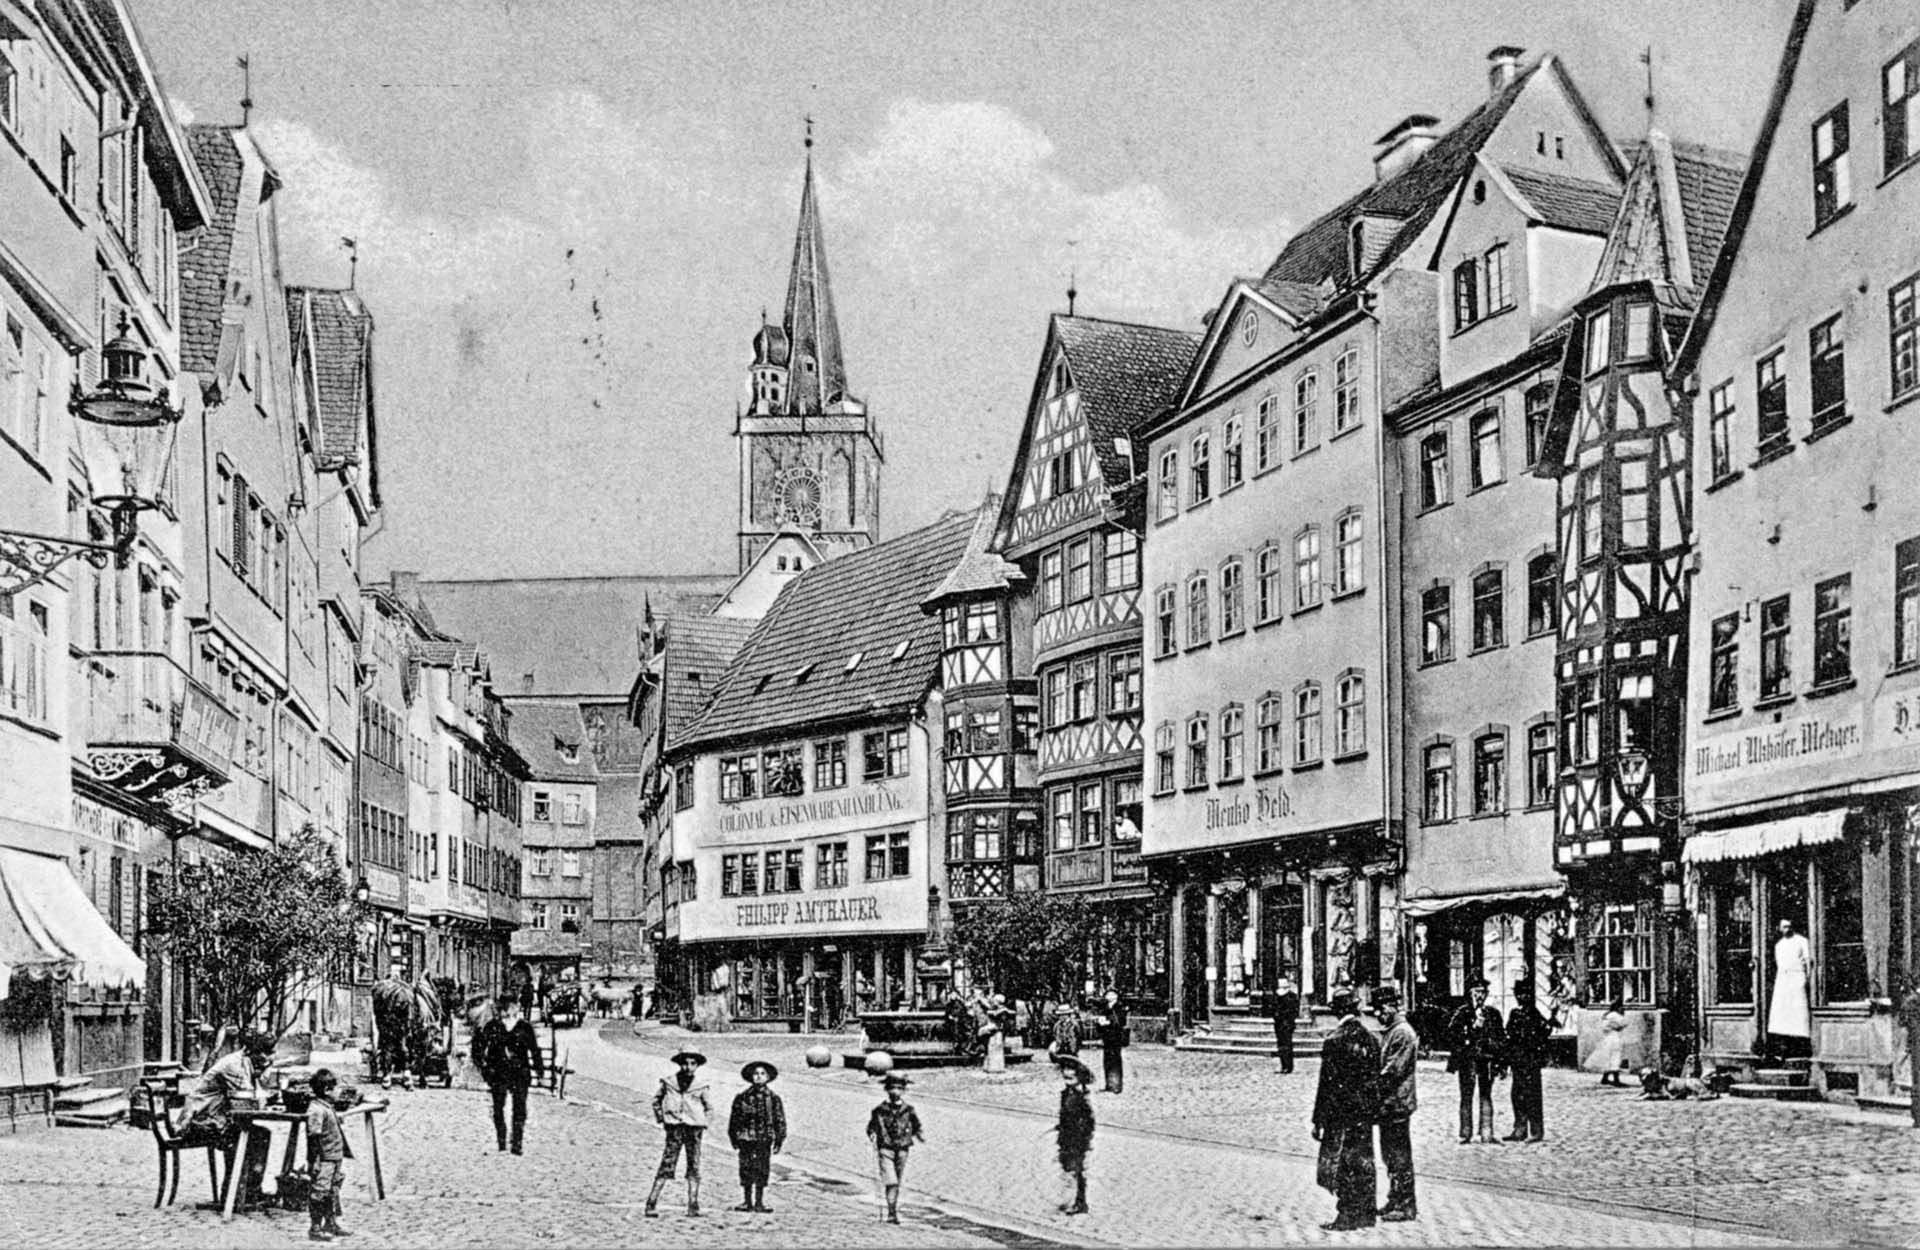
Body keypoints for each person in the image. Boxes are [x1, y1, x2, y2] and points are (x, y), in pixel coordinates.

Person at [172, 1030, 277, 1208]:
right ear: (250, 1051)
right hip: (200, 1123)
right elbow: (249, 1099)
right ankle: (233, 1194)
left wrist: (263, 1072)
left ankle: (248, 1191)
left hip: (215, 1119)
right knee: (244, 1137)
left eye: (270, 1052)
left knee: (259, 1134)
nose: (269, 1057)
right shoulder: (234, 1066)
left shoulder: (245, 1062)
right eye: (265, 1053)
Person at [1311, 986, 1381, 1232]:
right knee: (1364, 1161)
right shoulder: (1372, 1039)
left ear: (1336, 1010)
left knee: (1342, 1163)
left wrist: (1318, 1120)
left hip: (1340, 1114)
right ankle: (1366, 1213)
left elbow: (1326, 1085)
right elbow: (1376, 1081)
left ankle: (1346, 1216)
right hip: (1364, 1113)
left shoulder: (1334, 1041)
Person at [474, 996, 544, 1155]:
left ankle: (517, 1144)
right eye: (506, 1008)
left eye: (513, 1007)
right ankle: (502, 1142)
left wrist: (539, 1071)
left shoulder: (525, 1027)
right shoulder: (493, 1026)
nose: (510, 1010)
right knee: (498, 1108)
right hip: (498, 1073)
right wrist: (484, 1069)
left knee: (520, 1109)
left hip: (520, 1073)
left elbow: (534, 1050)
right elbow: (479, 1048)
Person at [647, 1050, 712, 1217]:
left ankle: (693, 1204)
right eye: (685, 1063)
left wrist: (703, 1123)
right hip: (675, 1128)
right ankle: (651, 1202)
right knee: (667, 1162)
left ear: (697, 1065)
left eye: (692, 1063)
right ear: (679, 1063)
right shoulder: (669, 1082)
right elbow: (656, 1100)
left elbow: (709, 1108)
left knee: (694, 1165)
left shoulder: (701, 1085)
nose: (688, 1067)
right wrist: (663, 1118)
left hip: (693, 1129)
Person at [1373, 986, 1418, 1222]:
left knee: (1399, 1156)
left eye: (1381, 1009)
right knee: (1390, 1155)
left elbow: (1392, 1070)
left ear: (1392, 1006)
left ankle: (1406, 1204)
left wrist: (1372, 1085)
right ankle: (1395, 1198)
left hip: (1397, 1104)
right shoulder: (1392, 1031)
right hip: (1390, 1104)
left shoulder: (1402, 1032)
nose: (1379, 1014)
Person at [1446, 976, 1506, 1144]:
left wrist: (1499, 1060)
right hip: (1468, 1060)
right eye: (1476, 992)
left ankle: (1487, 1132)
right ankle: (1465, 1133)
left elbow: (1501, 1038)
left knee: (1486, 1095)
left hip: (1486, 1060)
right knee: (1466, 1096)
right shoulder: (1462, 1013)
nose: (1480, 996)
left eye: (1482, 992)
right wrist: (1471, 1030)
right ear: (1470, 993)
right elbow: (1451, 1035)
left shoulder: (1493, 1014)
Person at [866, 1073, 925, 1225]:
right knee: (891, 1181)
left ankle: (892, 1212)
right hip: (885, 1148)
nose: (895, 1091)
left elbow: (916, 1126)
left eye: (899, 1088)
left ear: (904, 1091)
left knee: (896, 1181)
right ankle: (892, 1212)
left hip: (903, 1149)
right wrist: (873, 1134)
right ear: (887, 1089)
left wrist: (919, 1135)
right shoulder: (879, 1110)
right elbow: (871, 1128)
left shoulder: (908, 1110)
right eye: (892, 1088)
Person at [728, 1060, 786, 1213]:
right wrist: (733, 1137)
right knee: (746, 1168)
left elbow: (779, 1119)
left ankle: (759, 1202)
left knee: (762, 1169)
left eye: (762, 1074)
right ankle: (747, 1201)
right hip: (746, 1139)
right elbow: (734, 1119)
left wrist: (779, 1138)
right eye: (756, 1074)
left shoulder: (773, 1098)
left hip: (763, 1139)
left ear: (767, 1077)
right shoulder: (742, 1097)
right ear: (751, 1077)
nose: (759, 1077)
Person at [1503, 979, 1556, 1142]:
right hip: (1518, 1061)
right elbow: (1509, 1036)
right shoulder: (1514, 1013)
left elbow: (1544, 1031)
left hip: (1531, 1061)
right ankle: (1520, 1128)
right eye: (1519, 994)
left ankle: (1536, 1131)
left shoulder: (1534, 1013)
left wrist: (1551, 1021)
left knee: (1533, 1095)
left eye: (1525, 994)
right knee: (1517, 1095)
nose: (1522, 997)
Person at [303, 1069, 352, 1243]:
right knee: (320, 1192)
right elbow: (313, 1137)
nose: (339, 1091)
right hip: (324, 1159)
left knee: (332, 1191)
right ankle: (315, 1227)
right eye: (336, 1088)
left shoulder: (326, 1106)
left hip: (334, 1157)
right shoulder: (316, 1110)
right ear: (326, 1090)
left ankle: (330, 1223)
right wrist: (314, 1161)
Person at [1767, 918, 1813, 1063]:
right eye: (1784, 927)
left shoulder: (1802, 941)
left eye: (1789, 926)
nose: (1787, 930)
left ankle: (1802, 1048)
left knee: (1799, 1012)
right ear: (1780, 929)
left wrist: (1807, 978)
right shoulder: (1779, 945)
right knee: (1783, 1014)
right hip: (1783, 980)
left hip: (1797, 978)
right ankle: (1783, 1050)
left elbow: (1808, 961)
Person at [1054, 1058, 1095, 1215]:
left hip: (1077, 1140)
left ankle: (1079, 1202)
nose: (1066, 1078)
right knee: (1067, 1167)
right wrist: (1061, 1126)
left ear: (1079, 1078)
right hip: (1066, 1138)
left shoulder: (1080, 1098)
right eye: (1064, 1075)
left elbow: (1088, 1121)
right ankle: (1070, 1199)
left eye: (1071, 1077)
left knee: (1076, 1171)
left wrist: (1083, 1137)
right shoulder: (1066, 1094)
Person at [1585, 998, 1629, 1085]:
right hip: (1614, 1037)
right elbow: (1625, 1023)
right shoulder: (1615, 1015)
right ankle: (1616, 1080)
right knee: (1615, 1057)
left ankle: (1605, 1078)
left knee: (1608, 1058)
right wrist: (1622, 1018)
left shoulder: (1607, 1015)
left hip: (1607, 1037)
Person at [1093, 988, 1129, 1093]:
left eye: (1112, 994)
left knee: (1115, 1060)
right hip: (1106, 1037)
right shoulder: (1105, 1007)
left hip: (1116, 1037)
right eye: (1108, 994)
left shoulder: (1119, 1007)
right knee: (1107, 1060)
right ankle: (1109, 1084)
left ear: (1116, 996)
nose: (1109, 996)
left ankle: (1117, 1085)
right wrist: (1099, 1023)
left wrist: (1109, 1023)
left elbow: (1121, 1021)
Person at [1898, 974, 1920, 1130]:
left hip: (1916, 1048)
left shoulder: (1909, 1002)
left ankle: (1918, 1117)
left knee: (1917, 1082)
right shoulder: (1911, 1003)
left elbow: (1904, 1030)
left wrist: (1904, 1051)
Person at [1269, 973, 1301, 1074]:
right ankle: (1284, 1065)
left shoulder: (1292, 997)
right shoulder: (1277, 996)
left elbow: (1294, 1011)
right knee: (1281, 1045)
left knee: (1287, 1044)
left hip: (1287, 1023)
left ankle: (1288, 1066)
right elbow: (1273, 1009)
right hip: (1279, 1023)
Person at [1049, 1000, 1082, 1066]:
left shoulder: (1074, 1024)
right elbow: (1055, 1035)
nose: (1062, 1017)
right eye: (1060, 1015)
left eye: (1064, 1015)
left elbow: (1079, 1037)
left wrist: (1075, 1049)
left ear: (1068, 1015)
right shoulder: (1057, 1025)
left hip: (1071, 1051)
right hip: (1060, 1050)